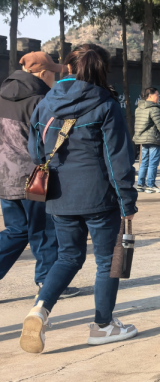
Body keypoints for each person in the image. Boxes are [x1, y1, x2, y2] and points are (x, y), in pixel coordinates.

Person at [21, 44, 138, 353]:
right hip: (99, 197)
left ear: (68, 67)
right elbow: (117, 159)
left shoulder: (45, 103)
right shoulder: (106, 104)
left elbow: (36, 153)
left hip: (59, 196)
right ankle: (103, 326)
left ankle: (40, 309)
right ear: (102, 71)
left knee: (68, 257)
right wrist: (127, 201)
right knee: (107, 261)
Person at [0, 53, 79, 299]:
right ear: (44, 73)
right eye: (54, 74)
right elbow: (49, 141)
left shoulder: (1, 95)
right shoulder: (41, 100)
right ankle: (47, 281)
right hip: (33, 178)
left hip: (4, 177)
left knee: (17, 229)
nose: (55, 79)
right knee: (44, 231)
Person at [133, 87, 160, 193]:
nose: (158, 97)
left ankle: (140, 185)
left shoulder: (138, 109)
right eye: (157, 95)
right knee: (153, 163)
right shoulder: (154, 109)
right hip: (154, 139)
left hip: (143, 139)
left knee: (144, 162)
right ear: (150, 96)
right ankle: (150, 185)